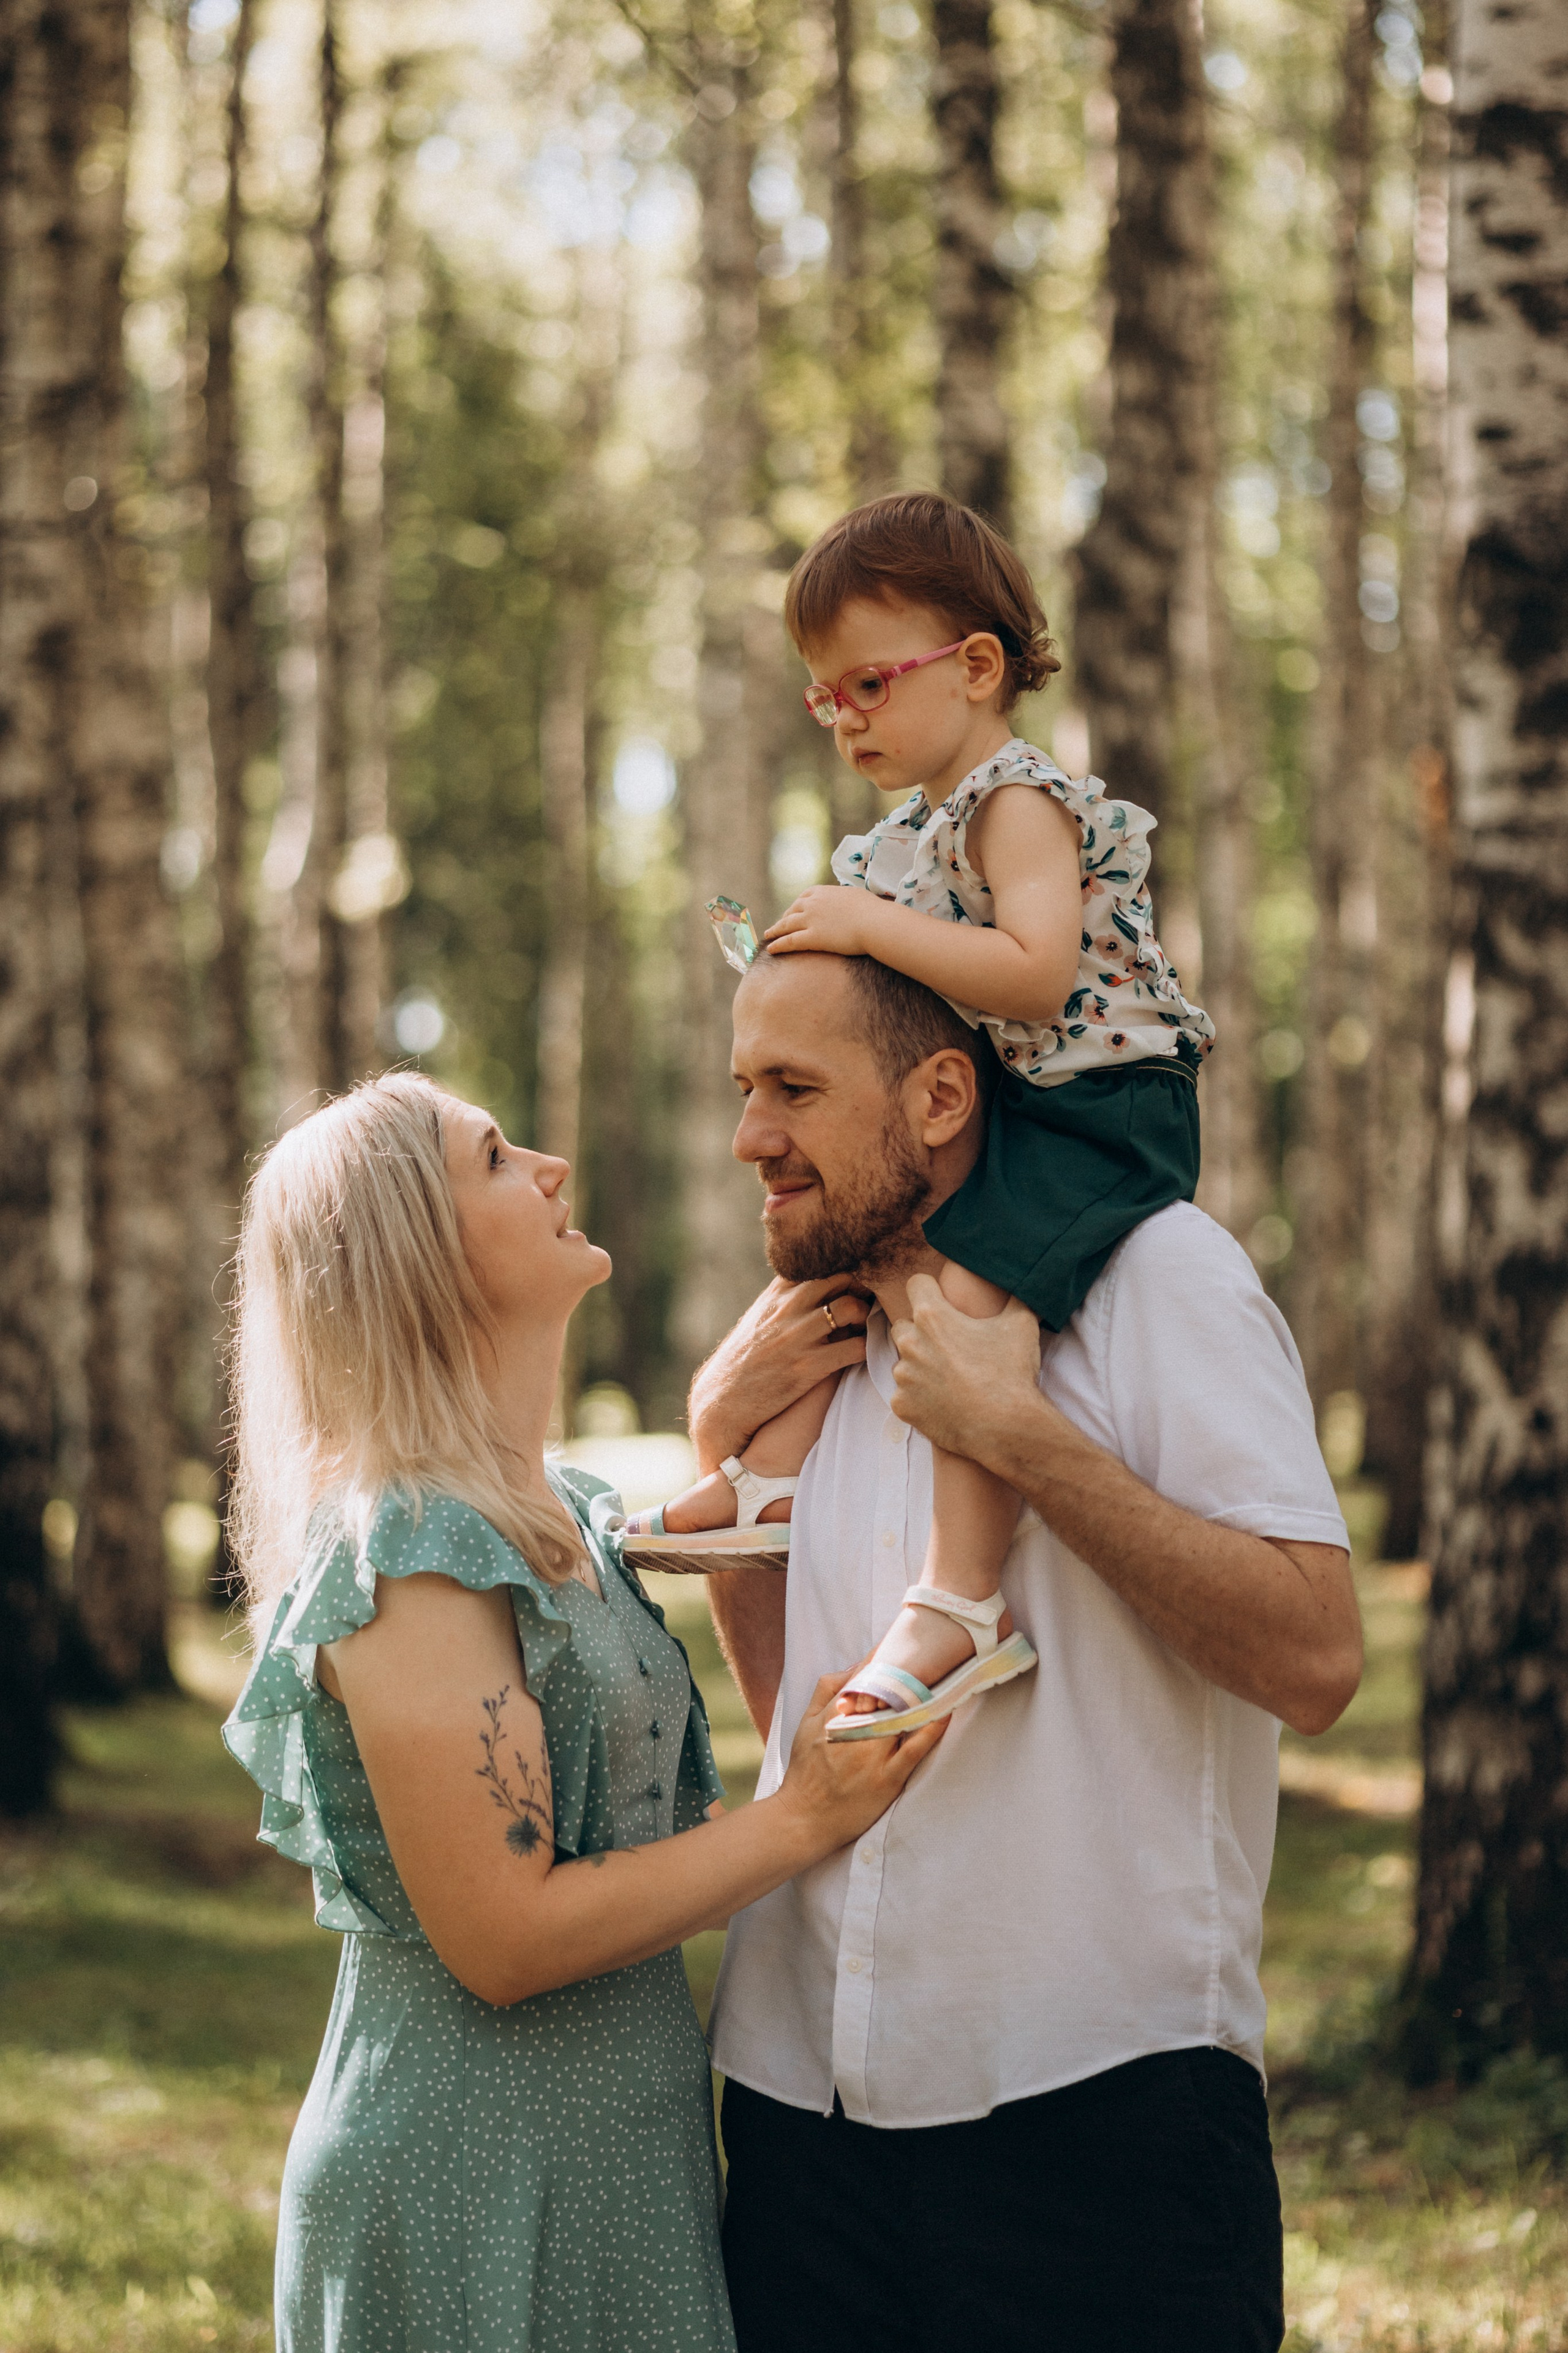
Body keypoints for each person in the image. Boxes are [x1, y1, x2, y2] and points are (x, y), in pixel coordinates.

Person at [692, 946, 1361, 2352]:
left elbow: (1314, 1658)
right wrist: (723, 1445)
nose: (751, 1136)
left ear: (941, 1095)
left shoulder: (1158, 1277)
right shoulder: (803, 1338)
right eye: (745, 1088)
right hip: (796, 2106)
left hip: (1097, 2113)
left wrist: (1023, 1442)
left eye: (794, 1090)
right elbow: (801, 1730)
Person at [220, 1072, 943, 2353]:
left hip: (613, 2160)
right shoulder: (413, 1555)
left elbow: (742, 1520)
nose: (551, 1164)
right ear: (418, 1254)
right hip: (473, 2174)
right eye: (495, 1157)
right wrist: (803, 1817)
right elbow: (507, 1935)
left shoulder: (556, 1508)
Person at [630, 491, 1215, 1738]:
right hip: (1012, 1094)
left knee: (962, 1305)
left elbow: (1034, 972)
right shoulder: (904, 837)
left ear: (976, 666)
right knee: (852, 1231)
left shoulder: (1016, 801)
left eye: (866, 685)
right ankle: (768, 1480)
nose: (844, 718)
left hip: (1102, 1103)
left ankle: (956, 1601)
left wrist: (862, 925)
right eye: (822, 697)